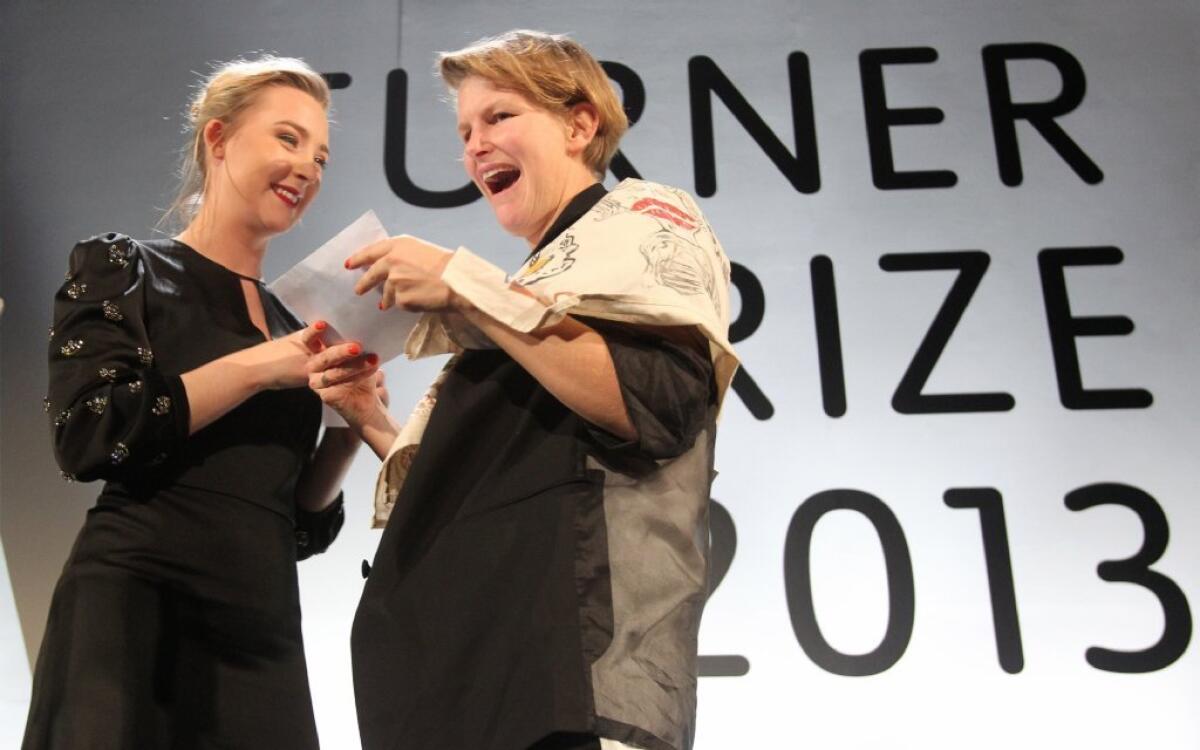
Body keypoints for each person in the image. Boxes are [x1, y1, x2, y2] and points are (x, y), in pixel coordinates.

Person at [310, 30, 738, 750]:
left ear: (580, 123)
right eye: (465, 131)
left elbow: (657, 406)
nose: (475, 146)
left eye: (500, 116)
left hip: (566, 684)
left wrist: (464, 283)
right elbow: (490, 480)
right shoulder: (525, 301)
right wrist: (372, 419)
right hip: (465, 682)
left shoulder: (644, 220)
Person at [24, 55, 378, 749]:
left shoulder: (290, 324)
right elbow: (90, 434)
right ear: (218, 140)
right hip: (136, 608)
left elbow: (295, 528)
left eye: (321, 155)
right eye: (287, 138)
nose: (307, 166)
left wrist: (344, 428)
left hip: (261, 629)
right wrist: (254, 369)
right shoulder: (126, 270)